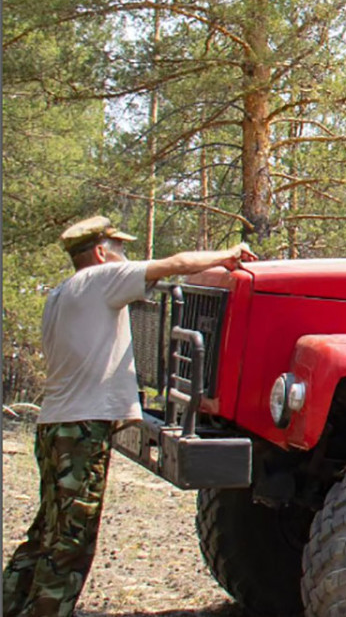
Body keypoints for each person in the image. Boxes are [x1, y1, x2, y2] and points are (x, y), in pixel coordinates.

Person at [2, 216, 257, 617]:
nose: (126, 257)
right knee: (71, 543)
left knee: (46, 531)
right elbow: (175, 263)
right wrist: (228, 255)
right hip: (81, 430)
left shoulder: (61, 293)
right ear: (100, 253)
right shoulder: (102, 279)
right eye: (120, 249)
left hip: (54, 425)